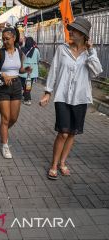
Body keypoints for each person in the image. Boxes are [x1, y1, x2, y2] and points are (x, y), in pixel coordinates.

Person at [39, 17, 102, 180]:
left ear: (83, 34)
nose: (70, 31)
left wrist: (91, 51)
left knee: (72, 133)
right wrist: (47, 92)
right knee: (63, 133)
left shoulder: (89, 53)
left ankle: (62, 163)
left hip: (80, 98)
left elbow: (97, 71)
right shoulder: (62, 49)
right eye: (70, 29)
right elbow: (53, 71)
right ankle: (54, 164)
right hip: (62, 96)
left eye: (74, 30)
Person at [0, 27, 32, 159]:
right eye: (3, 39)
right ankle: (5, 145)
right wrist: (1, 74)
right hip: (3, 87)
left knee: (13, 118)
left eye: (7, 39)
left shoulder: (20, 52)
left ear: (14, 38)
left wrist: (25, 69)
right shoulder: (0, 53)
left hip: (16, 86)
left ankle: (2, 131)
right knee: (5, 118)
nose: (4, 41)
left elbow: (19, 69)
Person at [19, 37, 40, 105]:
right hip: (32, 70)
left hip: (23, 69)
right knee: (28, 84)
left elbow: (19, 59)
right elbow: (38, 59)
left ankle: (26, 96)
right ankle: (27, 98)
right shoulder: (36, 50)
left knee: (24, 84)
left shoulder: (21, 49)